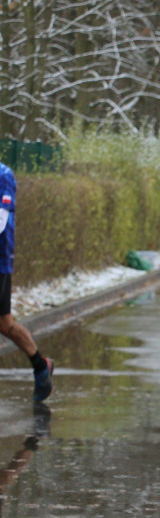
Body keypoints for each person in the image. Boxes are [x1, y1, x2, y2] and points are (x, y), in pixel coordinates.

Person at [0, 163, 54, 402]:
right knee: (4, 324)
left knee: (4, 324)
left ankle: (40, 365)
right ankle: (41, 364)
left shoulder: (4, 175)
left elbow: (1, 219)